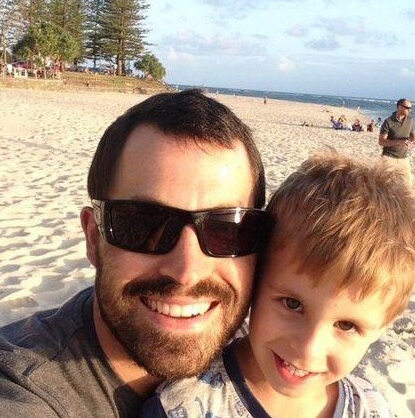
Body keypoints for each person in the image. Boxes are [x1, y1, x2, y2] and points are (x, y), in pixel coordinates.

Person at [0, 89, 271, 417]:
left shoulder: (270, 347)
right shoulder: (25, 389)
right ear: (92, 236)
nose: (187, 271)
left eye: (226, 229)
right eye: (143, 225)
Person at [140, 151, 415, 418]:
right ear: (254, 280)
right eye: (293, 304)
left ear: (382, 327)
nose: (308, 349)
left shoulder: (371, 408)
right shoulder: (182, 406)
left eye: (346, 326)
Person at [379, 98, 415, 186]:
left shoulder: (410, 120)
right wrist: (398, 142)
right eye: (407, 108)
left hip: (403, 157)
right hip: (389, 157)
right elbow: (381, 141)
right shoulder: (388, 122)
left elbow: (413, 135)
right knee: (385, 185)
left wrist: (414, 140)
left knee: (408, 185)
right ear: (399, 107)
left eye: (410, 108)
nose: (409, 110)